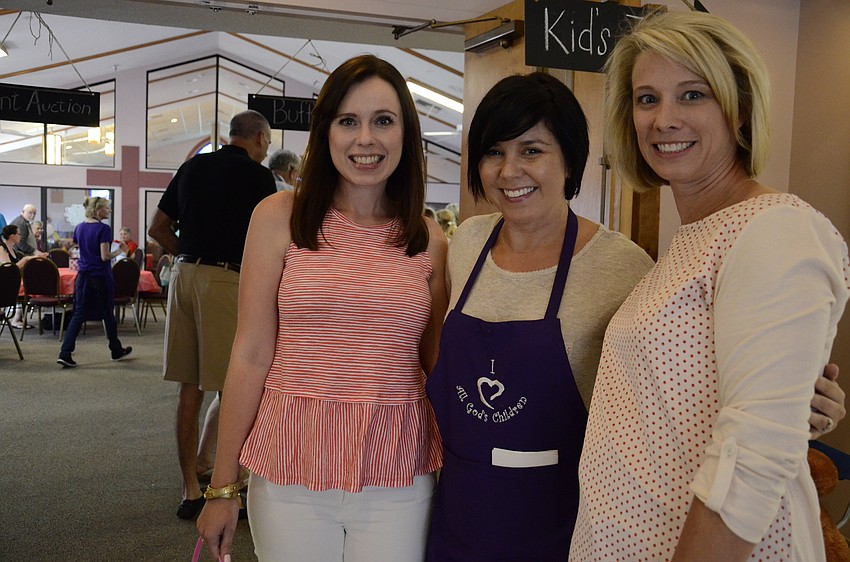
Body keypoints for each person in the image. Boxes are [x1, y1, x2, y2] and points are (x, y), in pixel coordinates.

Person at [570, 11, 850, 561]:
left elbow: (753, 456)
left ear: (739, 109)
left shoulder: (775, 228)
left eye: (692, 95)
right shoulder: (690, 241)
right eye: (647, 99)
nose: (663, 119)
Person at [197, 54, 447, 562]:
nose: (365, 139)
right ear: (325, 131)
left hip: (397, 473)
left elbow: (437, 366)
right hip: (288, 466)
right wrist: (222, 486)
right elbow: (250, 353)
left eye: (383, 121)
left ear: (406, 133)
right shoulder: (279, 217)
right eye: (348, 121)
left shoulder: (428, 239)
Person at [424, 72, 655, 560]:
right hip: (458, 519)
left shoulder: (622, 267)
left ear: (569, 160)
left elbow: (662, 400)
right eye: (494, 152)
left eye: (531, 150)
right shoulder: (466, 243)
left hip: (557, 529)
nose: (509, 171)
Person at [148, 109, 276, 520]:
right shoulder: (259, 177)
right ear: (259, 138)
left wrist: (188, 251)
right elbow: (268, 239)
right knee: (233, 387)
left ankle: (190, 488)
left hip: (183, 276)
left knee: (189, 388)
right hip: (225, 279)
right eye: (267, 143)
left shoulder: (192, 166)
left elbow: (157, 228)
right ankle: (230, 487)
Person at [56, 197, 133, 368]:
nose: (109, 211)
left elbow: (76, 247)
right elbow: (105, 256)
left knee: (78, 314)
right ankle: (115, 350)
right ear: (98, 211)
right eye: (107, 208)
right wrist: (120, 251)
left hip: (83, 275)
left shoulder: (79, 227)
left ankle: (65, 353)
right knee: (108, 313)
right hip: (100, 275)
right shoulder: (104, 229)